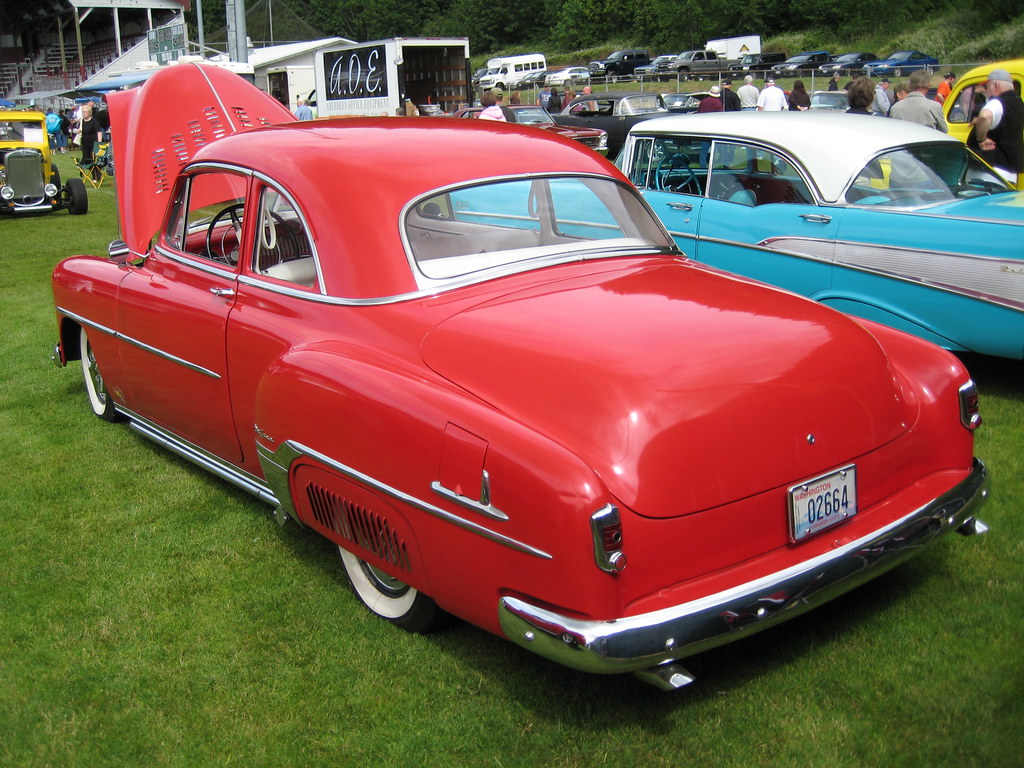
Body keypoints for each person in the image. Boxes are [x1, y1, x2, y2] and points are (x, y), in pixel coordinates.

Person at [968, 68, 1024, 182]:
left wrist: (981, 139)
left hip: (990, 172)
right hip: (1010, 172)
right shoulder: (1018, 103)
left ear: (996, 85)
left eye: (987, 87)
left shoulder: (997, 102)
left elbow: (985, 116)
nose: (986, 91)